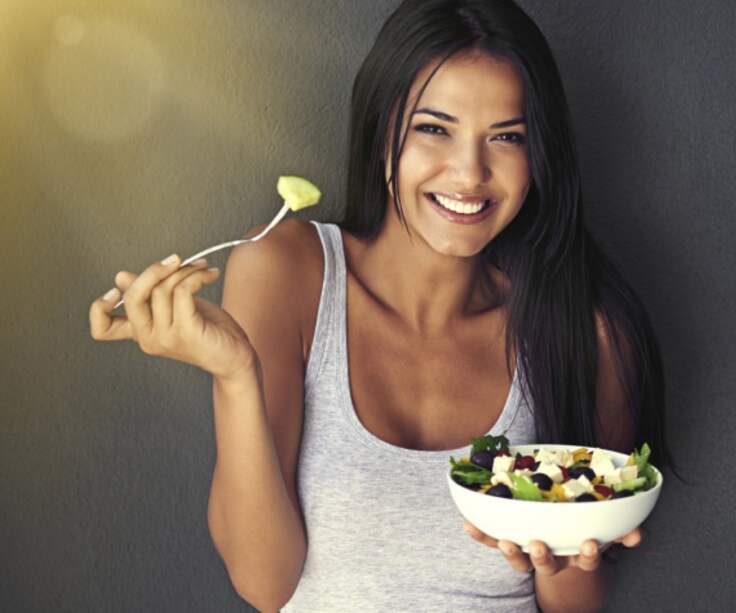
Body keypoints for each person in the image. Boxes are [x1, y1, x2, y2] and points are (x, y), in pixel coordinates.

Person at [88, 0, 680, 610]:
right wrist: (237, 376)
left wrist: (560, 555)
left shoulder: (586, 331)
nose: (469, 172)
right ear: (381, 133)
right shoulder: (287, 267)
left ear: (539, 158)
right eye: (434, 128)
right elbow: (265, 585)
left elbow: (575, 606)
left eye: (506, 137)